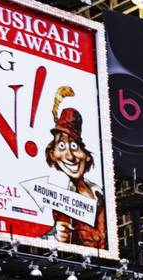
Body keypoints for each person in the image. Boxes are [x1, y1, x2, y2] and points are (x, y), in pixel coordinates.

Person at [40, 96, 108, 250]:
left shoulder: (100, 192)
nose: (70, 156)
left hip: (100, 264)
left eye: (74, 146)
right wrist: (54, 236)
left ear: (86, 155)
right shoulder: (54, 194)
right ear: (52, 154)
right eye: (62, 146)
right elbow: (30, 233)